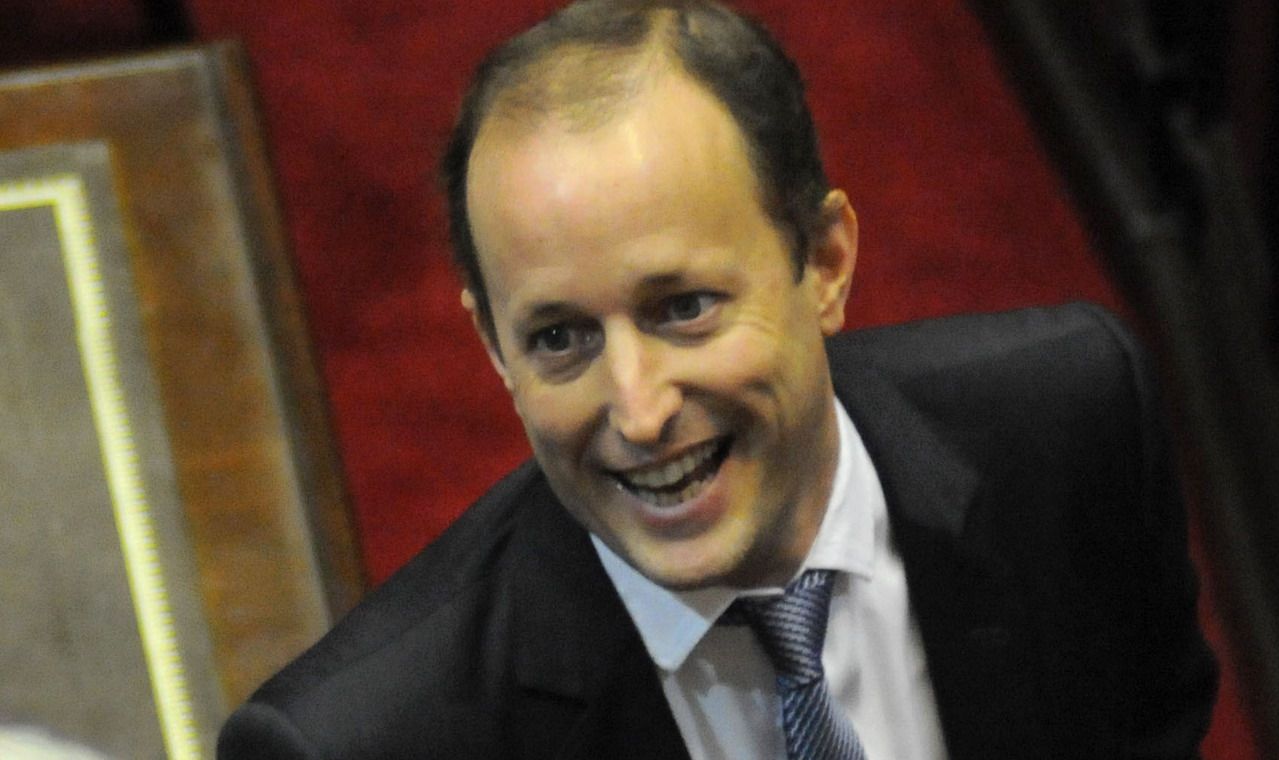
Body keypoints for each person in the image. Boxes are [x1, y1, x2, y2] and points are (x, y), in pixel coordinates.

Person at [217, 1, 1218, 758]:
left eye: (682, 308)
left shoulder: (1070, 426)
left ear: (823, 262)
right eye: (560, 337)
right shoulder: (362, 742)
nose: (639, 409)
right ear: (491, 346)